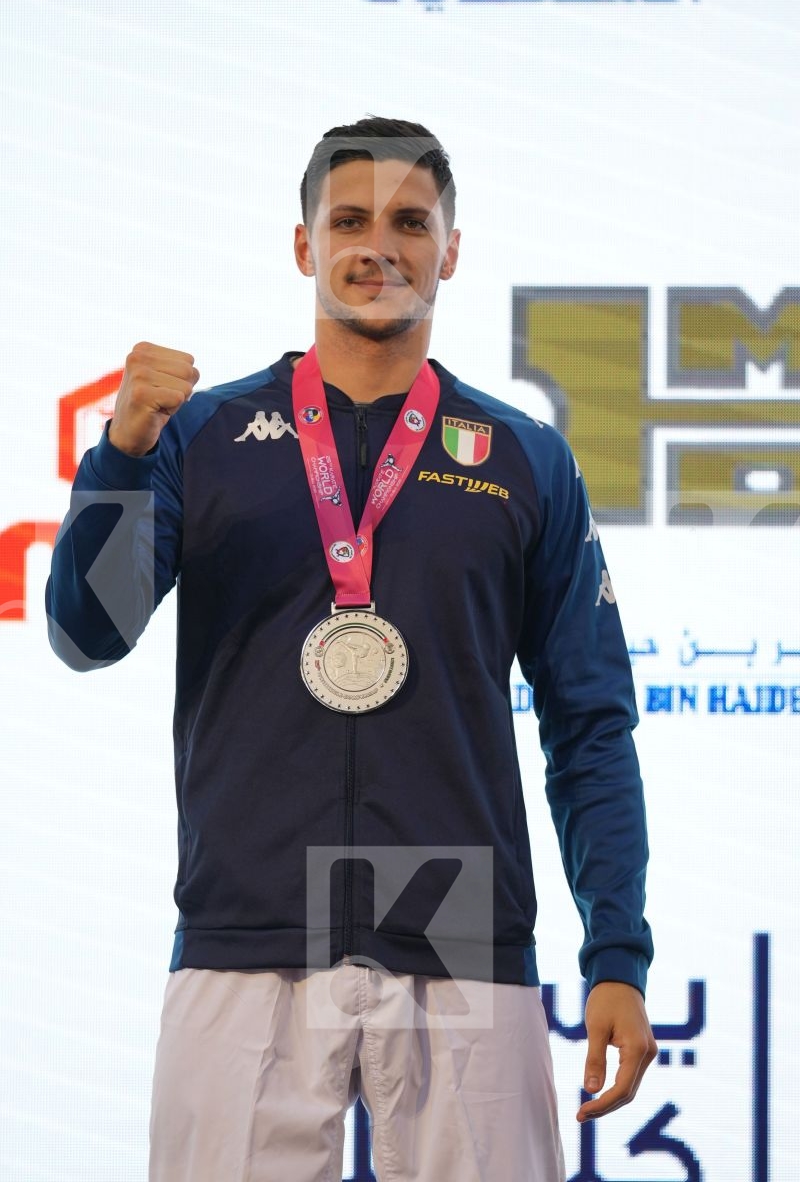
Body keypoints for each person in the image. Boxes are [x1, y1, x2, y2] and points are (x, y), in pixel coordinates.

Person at [45, 116, 656, 1182]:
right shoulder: (202, 434)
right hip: (250, 922)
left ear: (451, 251)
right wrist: (121, 455)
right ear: (304, 246)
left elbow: (588, 722)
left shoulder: (522, 460)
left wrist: (616, 950)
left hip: (460, 928)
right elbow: (87, 634)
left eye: (411, 222)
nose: (381, 245)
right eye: (351, 220)